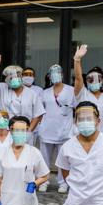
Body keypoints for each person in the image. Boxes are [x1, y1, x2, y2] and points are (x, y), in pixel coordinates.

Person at [0, 51, 45, 141]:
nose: (14, 79)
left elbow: (38, 115)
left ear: (22, 77)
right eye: (11, 77)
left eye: (17, 76)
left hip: (23, 132)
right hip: (5, 131)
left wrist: (29, 131)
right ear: (6, 79)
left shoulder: (31, 93)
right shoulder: (3, 88)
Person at [37, 64, 75, 194]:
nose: (55, 75)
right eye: (52, 73)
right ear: (49, 76)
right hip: (46, 131)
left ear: (63, 74)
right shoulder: (44, 92)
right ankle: (43, 181)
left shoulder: (71, 90)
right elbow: (39, 110)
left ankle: (63, 183)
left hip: (64, 131)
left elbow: (77, 108)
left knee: (63, 160)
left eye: (58, 72)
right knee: (44, 159)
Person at [73, 45, 103, 138]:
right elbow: (78, 78)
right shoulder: (83, 94)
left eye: (98, 79)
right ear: (86, 81)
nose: (94, 81)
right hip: (84, 136)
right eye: (91, 79)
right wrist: (77, 60)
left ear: (102, 81)